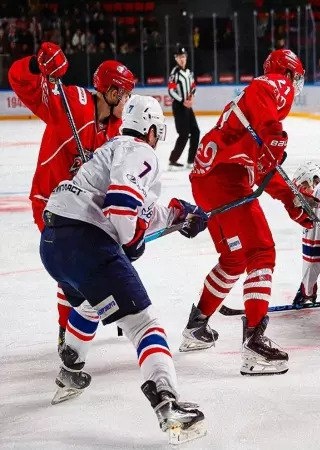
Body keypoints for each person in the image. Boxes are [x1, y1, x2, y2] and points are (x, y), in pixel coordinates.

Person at [39, 95, 207, 443]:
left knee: (91, 301)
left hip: (54, 242)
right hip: (86, 242)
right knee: (144, 324)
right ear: (151, 130)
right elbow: (121, 207)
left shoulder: (112, 149)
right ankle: (167, 402)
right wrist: (131, 243)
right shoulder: (140, 150)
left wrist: (179, 214)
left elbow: (137, 208)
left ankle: (70, 368)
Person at [180, 49, 309, 376]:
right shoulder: (272, 85)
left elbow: (263, 167)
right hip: (224, 181)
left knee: (234, 259)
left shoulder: (251, 115)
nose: (293, 86)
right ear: (287, 74)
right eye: (294, 78)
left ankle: (196, 326)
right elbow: (262, 92)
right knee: (262, 251)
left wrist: (291, 200)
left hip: (207, 179)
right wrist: (274, 134)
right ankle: (254, 341)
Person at [8, 42, 135, 352]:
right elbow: (20, 81)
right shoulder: (72, 104)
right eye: (125, 94)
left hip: (85, 207)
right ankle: (67, 331)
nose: (128, 100)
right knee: (71, 265)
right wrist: (37, 66)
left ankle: (107, 308)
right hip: (50, 202)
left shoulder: (116, 130)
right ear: (112, 93)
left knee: (107, 257)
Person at [167, 45, 200, 170]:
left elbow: (193, 86)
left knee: (195, 131)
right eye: (179, 57)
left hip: (187, 106)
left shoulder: (189, 72)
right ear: (175, 58)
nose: (182, 59)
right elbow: (171, 91)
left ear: (186, 57)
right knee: (184, 134)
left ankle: (191, 160)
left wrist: (192, 97)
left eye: (183, 56)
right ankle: (172, 161)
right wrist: (182, 101)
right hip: (179, 106)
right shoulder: (174, 73)